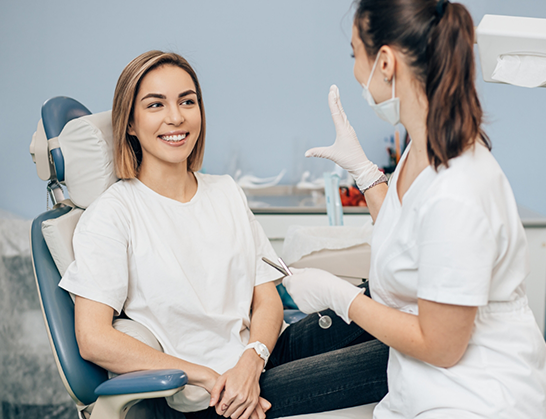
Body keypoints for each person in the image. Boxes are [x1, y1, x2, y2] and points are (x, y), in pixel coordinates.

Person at [58, 50, 389, 419]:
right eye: (155, 105)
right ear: (130, 123)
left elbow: (267, 299)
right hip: (211, 397)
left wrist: (251, 359)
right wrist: (210, 377)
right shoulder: (113, 215)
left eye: (187, 101)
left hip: (262, 358)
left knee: (390, 293)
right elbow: (93, 339)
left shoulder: (225, 191)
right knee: (398, 356)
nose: (176, 117)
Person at [283, 0, 546, 417]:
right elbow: (409, 237)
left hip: (479, 400)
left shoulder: (458, 189)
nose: (356, 70)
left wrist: (342, 298)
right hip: (425, 390)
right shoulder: (421, 148)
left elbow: (442, 346)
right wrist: (365, 173)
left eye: (355, 53)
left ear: (386, 62)